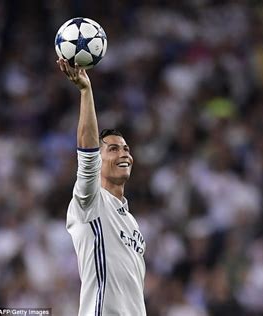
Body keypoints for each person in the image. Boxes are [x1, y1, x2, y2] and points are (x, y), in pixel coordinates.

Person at [57, 58, 146, 316]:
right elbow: (86, 156)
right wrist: (86, 91)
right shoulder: (90, 202)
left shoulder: (132, 222)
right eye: (114, 148)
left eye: (127, 149)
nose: (125, 154)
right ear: (99, 159)